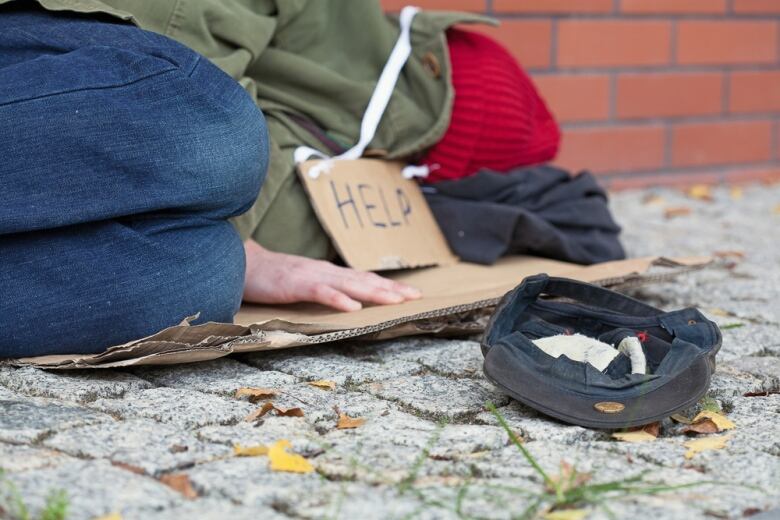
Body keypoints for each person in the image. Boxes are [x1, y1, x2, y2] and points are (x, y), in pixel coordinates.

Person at [0, 0, 559, 358]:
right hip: (50, 38)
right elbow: (175, 18)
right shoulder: (329, 23)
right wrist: (252, 241)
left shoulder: (316, 119)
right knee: (218, 132)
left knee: (203, 280)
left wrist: (246, 253)